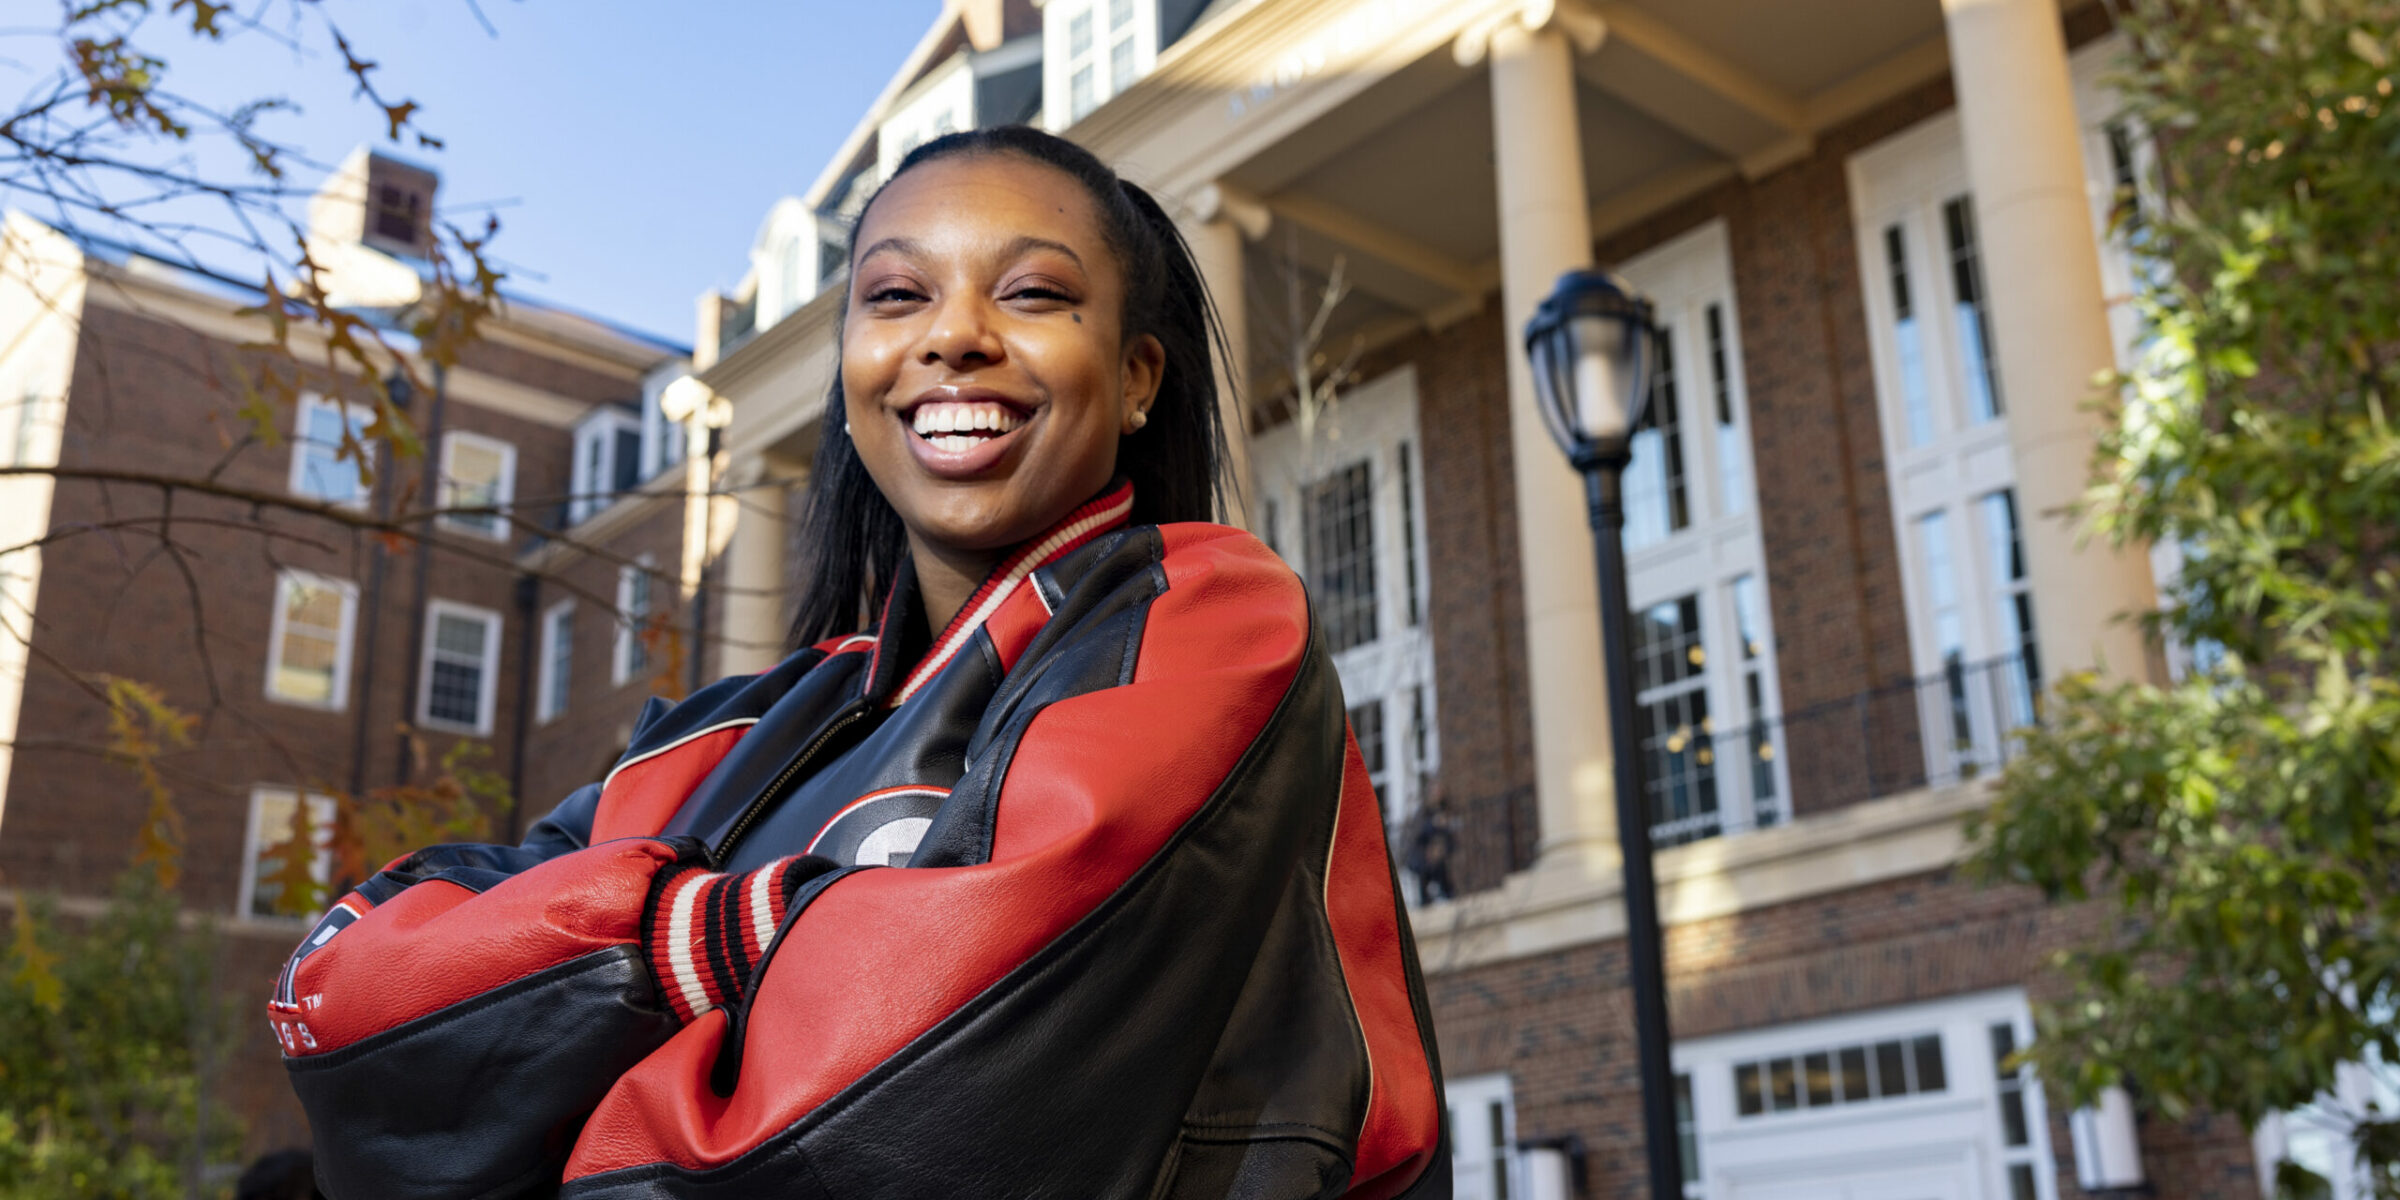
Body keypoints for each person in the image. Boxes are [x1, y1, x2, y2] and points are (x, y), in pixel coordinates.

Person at [270, 125, 1449, 1200]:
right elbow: (347, 1008)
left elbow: (883, 1130)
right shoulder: (724, 738)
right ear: (847, 370)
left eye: (1033, 292)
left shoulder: (1210, 626)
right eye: (896, 295)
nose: (954, 336)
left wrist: (563, 1029)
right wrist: (734, 939)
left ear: (1139, 376)